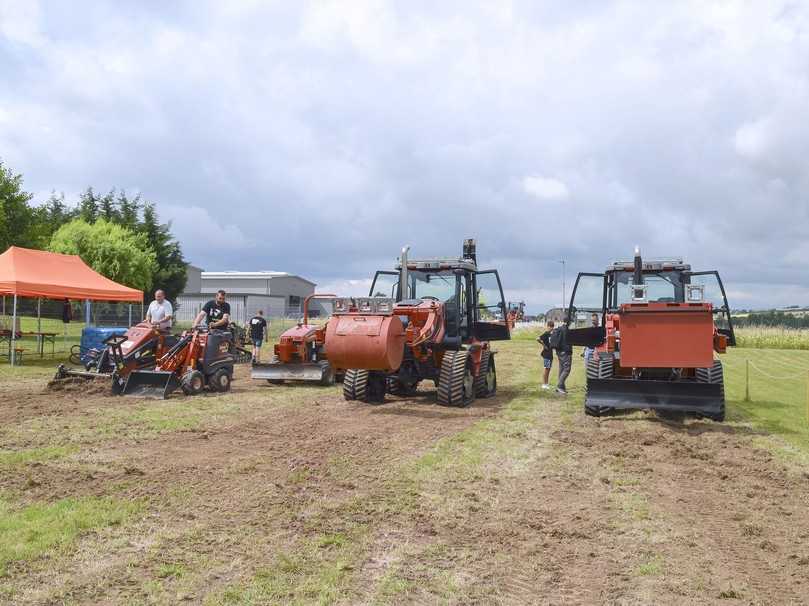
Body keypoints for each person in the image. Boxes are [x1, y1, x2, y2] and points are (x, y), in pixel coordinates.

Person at [552, 315, 573, 395]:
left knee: (561, 369)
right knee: (567, 369)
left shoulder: (559, 328)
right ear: (568, 322)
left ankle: (561, 388)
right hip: (565, 352)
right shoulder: (566, 330)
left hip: (559, 352)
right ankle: (559, 386)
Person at [537, 319, 555, 390]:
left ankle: (547, 383)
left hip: (550, 353)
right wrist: (543, 345)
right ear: (547, 326)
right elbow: (537, 338)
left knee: (549, 369)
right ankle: (544, 384)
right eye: (550, 326)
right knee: (546, 369)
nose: (551, 328)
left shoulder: (551, 334)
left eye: (552, 326)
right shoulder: (546, 334)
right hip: (546, 354)